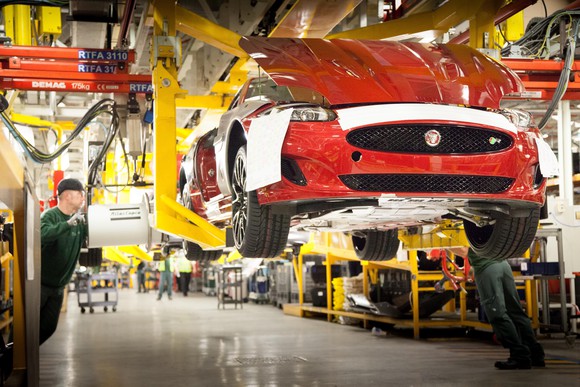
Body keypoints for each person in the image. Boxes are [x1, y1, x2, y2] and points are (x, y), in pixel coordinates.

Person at [449, 247, 545, 370]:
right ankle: (535, 353)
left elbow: (464, 251)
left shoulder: (463, 230)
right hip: (503, 265)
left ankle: (519, 356)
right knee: (515, 311)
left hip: (487, 268)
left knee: (497, 314)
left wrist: (443, 246)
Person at [40, 178, 88, 345]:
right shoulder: (50, 216)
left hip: (59, 287)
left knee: (48, 328)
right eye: (80, 194)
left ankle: (24, 356)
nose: (83, 198)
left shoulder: (80, 221)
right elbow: (43, 235)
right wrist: (67, 224)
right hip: (41, 285)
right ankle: (11, 362)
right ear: (67, 196)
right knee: (25, 327)